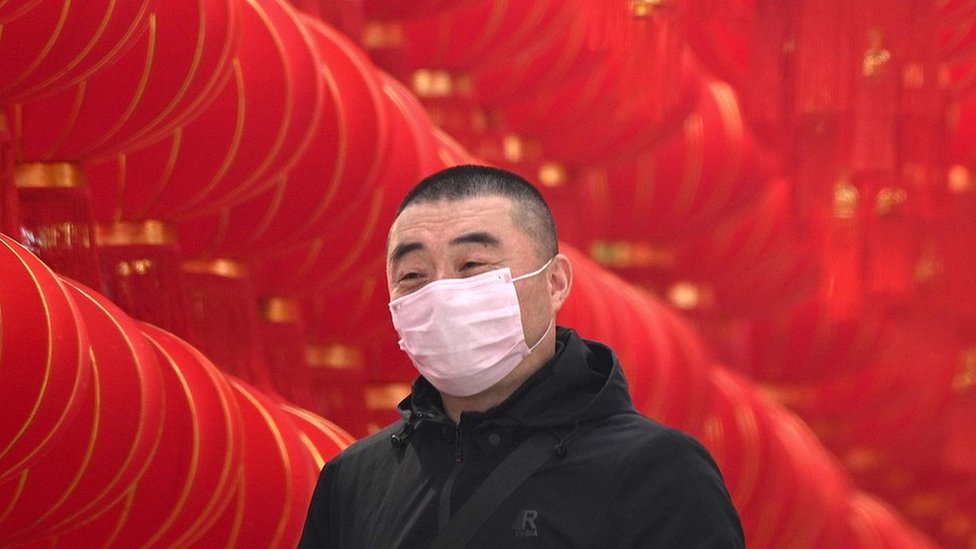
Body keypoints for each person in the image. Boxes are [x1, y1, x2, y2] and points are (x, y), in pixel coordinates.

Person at [299, 165, 745, 548]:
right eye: (413, 274)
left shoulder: (655, 472)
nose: (440, 293)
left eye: (472, 265)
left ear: (555, 283)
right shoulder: (354, 481)